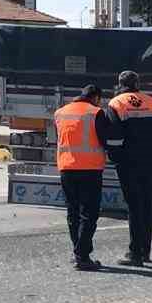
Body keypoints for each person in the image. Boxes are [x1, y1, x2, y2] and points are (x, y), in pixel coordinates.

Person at [103, 69, 152, 268]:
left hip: (129, 164)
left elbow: (114, 139)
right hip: (150, 162)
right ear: (137, 84)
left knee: (134, 206)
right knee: (147, 205)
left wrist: (117, 160)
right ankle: (145, 250)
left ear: (120, 84)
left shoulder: (116, 103)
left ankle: (135, 253)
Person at [53, 84, 111, 272]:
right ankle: (82, 256)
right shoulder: (96, 113)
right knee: (89, 213)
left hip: (66, 168)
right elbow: (105, 139)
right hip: (90, 169)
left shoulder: (60, 112)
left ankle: (78, 251)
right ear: (96, 98)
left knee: (73, 211)